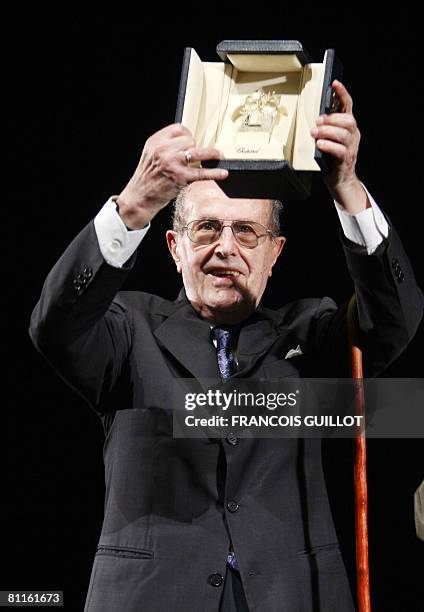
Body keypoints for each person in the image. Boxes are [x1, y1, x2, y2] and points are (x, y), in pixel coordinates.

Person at [29, 80, 423, 611]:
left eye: (246, 233)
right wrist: (135, 204)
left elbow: (394, 320)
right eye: (208, 228)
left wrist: (347, 187)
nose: (225, 249)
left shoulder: (311, 331)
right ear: (174, 246)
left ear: (275, 253)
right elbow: (54, 325)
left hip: (293, 597)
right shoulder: (128, 330)